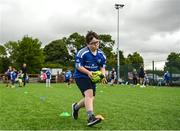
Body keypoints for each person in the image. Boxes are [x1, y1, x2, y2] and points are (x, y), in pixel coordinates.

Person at [72, 31, 106, 126]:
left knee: (91, 98)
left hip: (92, 77)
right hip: (81, 76)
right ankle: (91, 117)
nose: (96, 45)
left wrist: (102, 75)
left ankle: (76, 107)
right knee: (89, 95)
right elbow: (78, 66)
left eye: (97, 42)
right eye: (93, 43)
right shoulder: (82, 53)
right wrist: (88, 72)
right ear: (87, 44)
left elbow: (102, 66)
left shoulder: (101, 54)